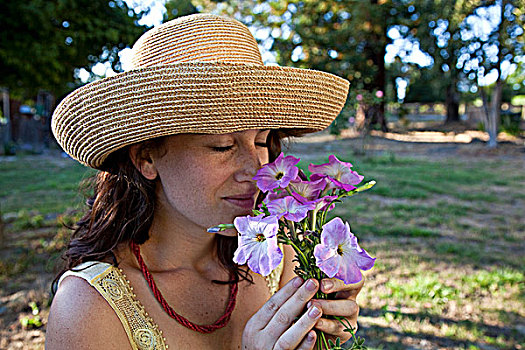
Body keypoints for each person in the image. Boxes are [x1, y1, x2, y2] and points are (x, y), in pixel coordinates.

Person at [46, 13, 363, 350]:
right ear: (146, 158)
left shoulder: (283, 258)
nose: (255, 170)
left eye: (261, 141)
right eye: (222, 145)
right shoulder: (88, 308)